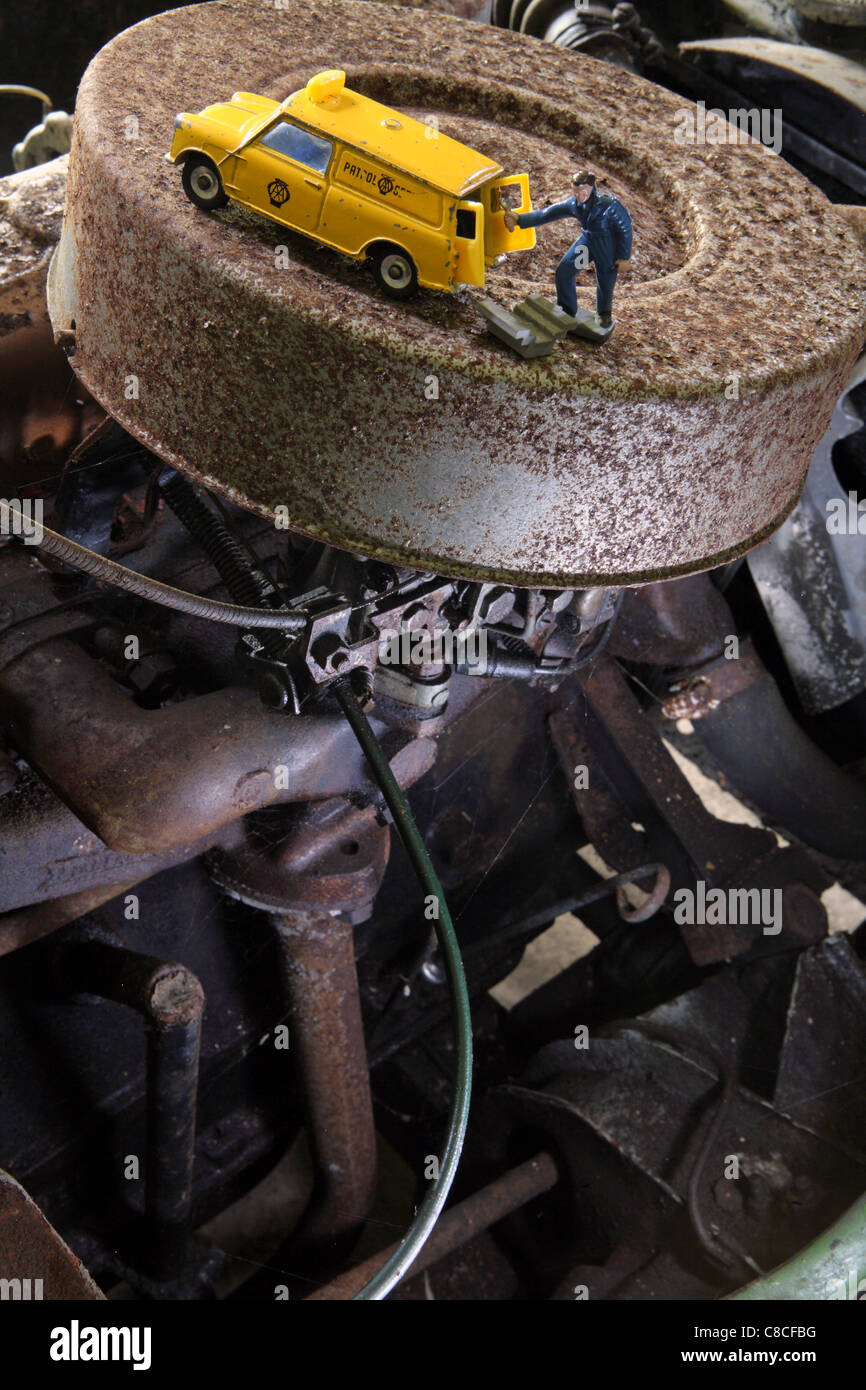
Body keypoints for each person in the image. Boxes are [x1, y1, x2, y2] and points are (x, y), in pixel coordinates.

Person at [504, 171, 632, 327]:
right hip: (588, 244)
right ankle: (567, 308)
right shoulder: (574, 205)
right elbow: (548, 213)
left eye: (583, 190)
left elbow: (625, 228)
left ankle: (604, 313)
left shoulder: (608, 205)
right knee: (565, 271)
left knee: (605, 282)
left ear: (592, 188)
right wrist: (519, 219)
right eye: (576, 191)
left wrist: (624, 256)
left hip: (607, 248)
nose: (579, 195)